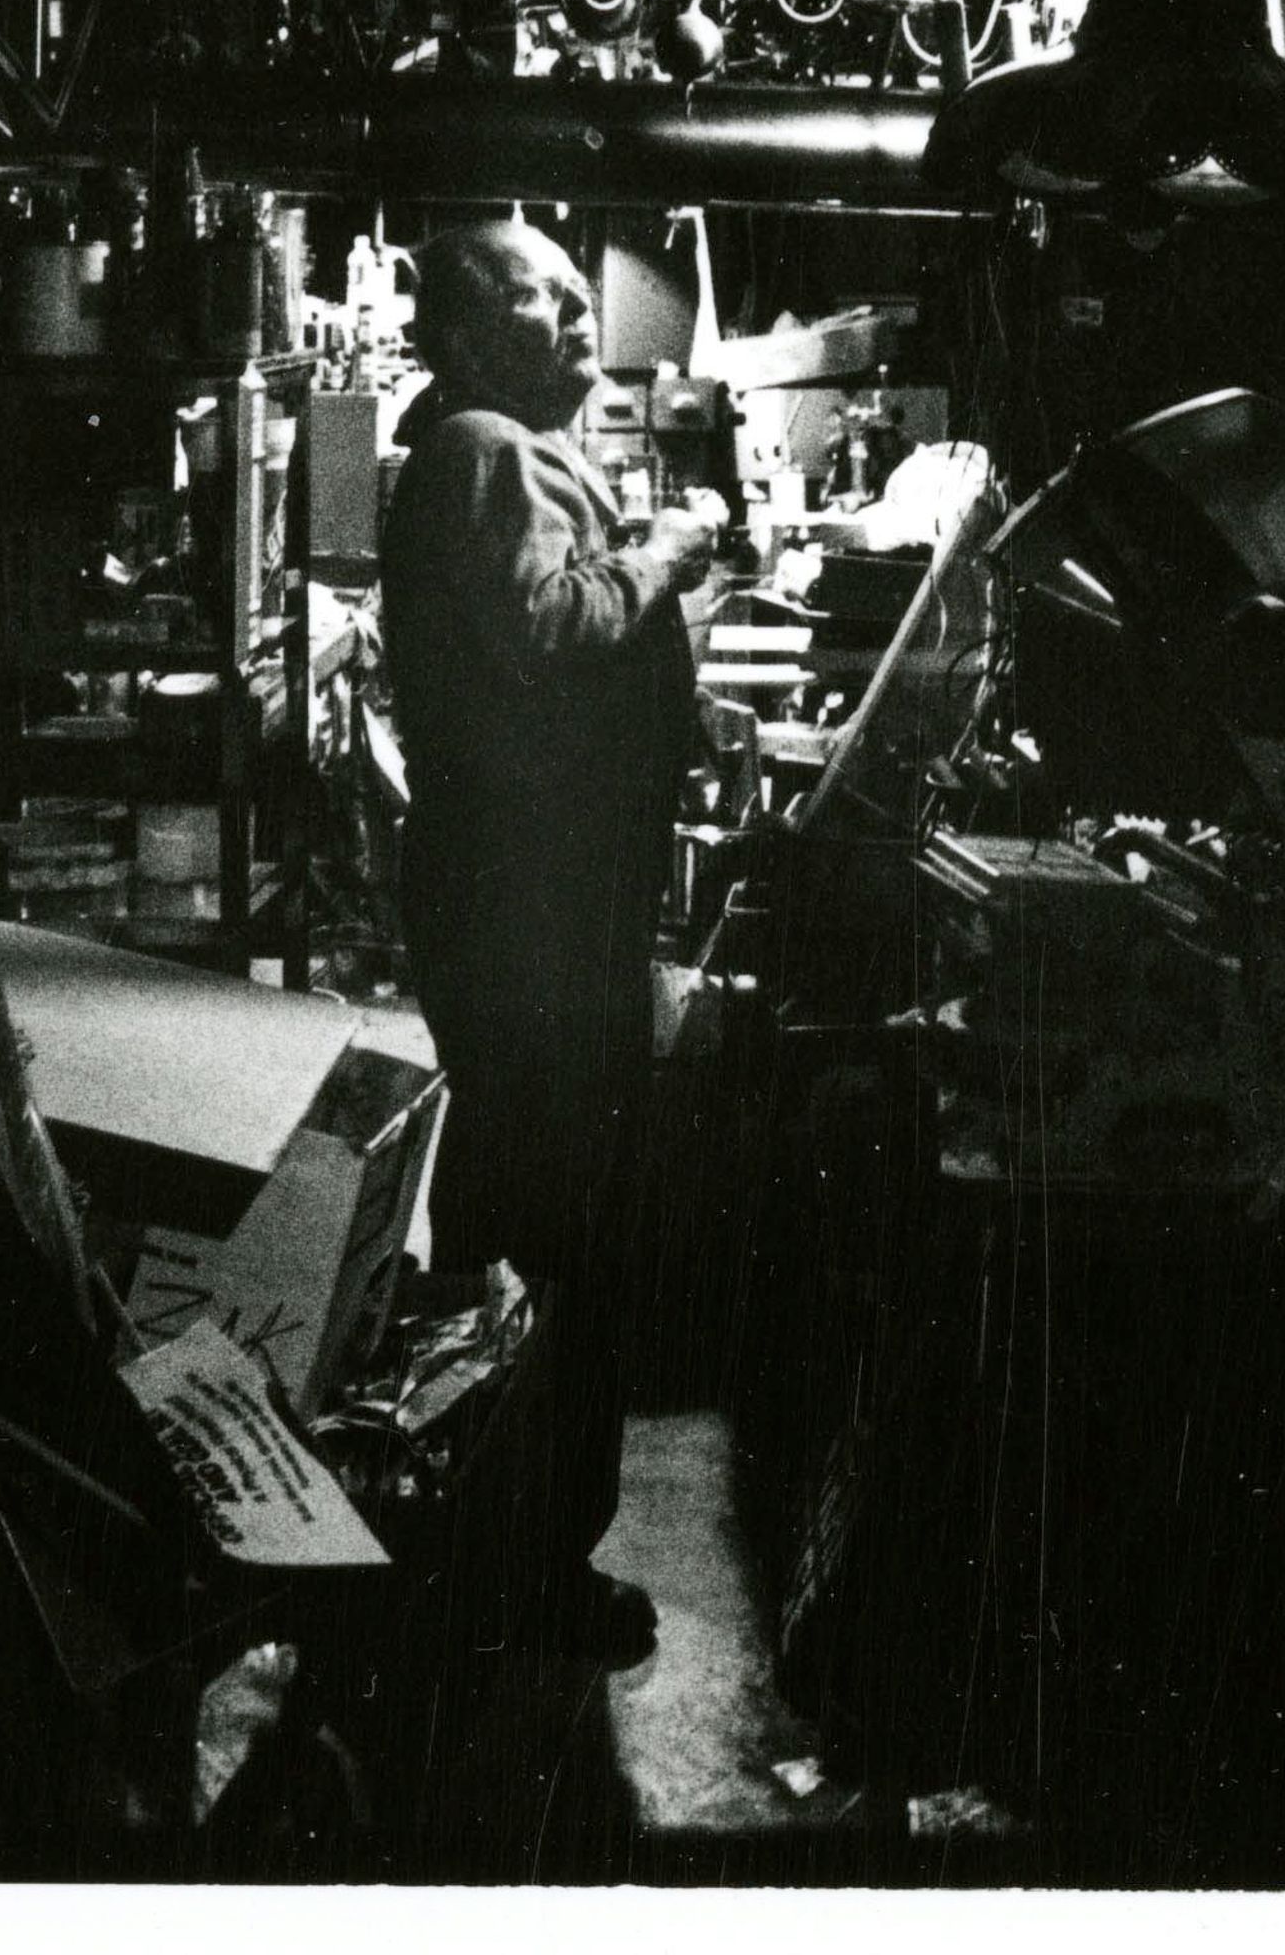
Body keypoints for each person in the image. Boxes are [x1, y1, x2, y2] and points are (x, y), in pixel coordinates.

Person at [379, 218, 718, 1667]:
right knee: (556, 1218)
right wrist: (669, 552)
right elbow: (548, 626)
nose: (583, 316)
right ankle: (523, 1565)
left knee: (523, 1207)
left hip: (527, 891)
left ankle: (498, 1544)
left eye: (586, 296)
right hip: (536, 900)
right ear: (466, 331)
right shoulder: (483, 447)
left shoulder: (493, 449)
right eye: (548, 297)